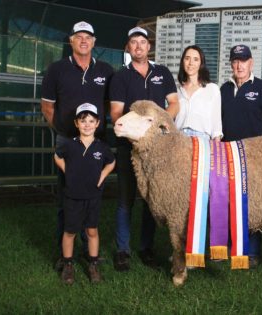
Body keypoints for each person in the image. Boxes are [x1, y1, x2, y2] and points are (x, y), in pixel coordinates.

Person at [40, 21, 114, 267]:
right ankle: (65, 254)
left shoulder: (105, 70)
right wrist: (63, 130)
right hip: (68, 141)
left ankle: (88, 249)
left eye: (88, 37)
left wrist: (95, 130)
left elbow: (108, 106)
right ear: (71, 40)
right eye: (78, 36)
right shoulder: (56, 69)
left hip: (95, 142)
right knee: (67, 196)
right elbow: (48, 107)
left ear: (94, 42)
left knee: (92, 196)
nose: (83, 40)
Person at [109, 26, 179, 271]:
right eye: (133, 43)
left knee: (153, 199)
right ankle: (123, 250)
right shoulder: (120, 77)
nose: (138, 46)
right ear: (128, 48)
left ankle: (146, 247)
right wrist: (137, 136)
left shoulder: (162, 73)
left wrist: (159, 127)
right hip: (129, 147)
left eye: (142, 42)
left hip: (157, 150)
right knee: (125, 200)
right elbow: (116, 112)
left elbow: (173, 103)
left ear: (149, 46)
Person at [220, 44, 262, 268]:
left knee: (253, 205)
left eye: (243, 61)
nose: (238, 65)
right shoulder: (224, 90)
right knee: (226, 203)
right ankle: (226, 247)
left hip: (254, 159)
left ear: (251, 63)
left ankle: (252, 252)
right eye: (235, 61)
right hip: (226, 159)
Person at [54, 103, 115, 284]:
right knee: (70, 231)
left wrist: (102, 176)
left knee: (92, 230)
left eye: (91, 121)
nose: (87, 125)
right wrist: (68, 171)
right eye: (83, 121)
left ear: (97, 123)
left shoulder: (101, 147)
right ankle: (68, 264)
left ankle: (93, 264)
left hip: (93, 196)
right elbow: (57, 156)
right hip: (73, 196)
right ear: (76, 123)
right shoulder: (69, 145)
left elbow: (111, 163)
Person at [175, 45, 222, 140]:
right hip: (178, 140)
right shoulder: (176, 91)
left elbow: (216, 126)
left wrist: (215, 150)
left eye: (196, 59)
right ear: (183, 62)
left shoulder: (212, 89)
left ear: (201, 64)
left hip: (202, 140)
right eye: (187, 58)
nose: (191, 63)